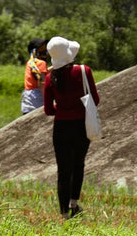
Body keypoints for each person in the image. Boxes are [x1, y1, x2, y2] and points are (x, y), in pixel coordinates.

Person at [42, 36, 99, 218]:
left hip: (61, 127)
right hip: (81, 125)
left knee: (63, 170)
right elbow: (95, 100)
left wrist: (63, 107)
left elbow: (49, 110)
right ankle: (73, 203)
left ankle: (64, 213)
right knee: (78, 164)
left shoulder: (51, 78)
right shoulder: (84, 71)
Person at [21, 37, 50, 115]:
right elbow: (42, 83)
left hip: (28, 97)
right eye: (42, 49)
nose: (45, 51)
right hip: (38, 96)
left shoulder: (30, 62)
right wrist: (47, 99)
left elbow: (41, 73)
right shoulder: (41, 63)